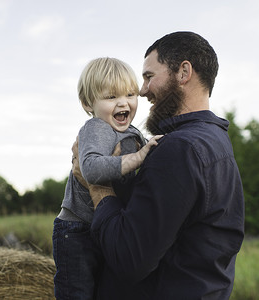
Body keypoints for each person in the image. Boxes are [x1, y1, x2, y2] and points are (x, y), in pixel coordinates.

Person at [73, 31, 245, 299]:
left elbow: (129, 258)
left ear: (183, 72)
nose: (142, 91)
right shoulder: (215, 140)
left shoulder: (180, 148)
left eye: (149, 77)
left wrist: (98, 188)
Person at [52, 57, 162, 300]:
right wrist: (138, 158)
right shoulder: (96, 128)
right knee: (77, 293)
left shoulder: (132, 132)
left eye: (130, 94)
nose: (123, 102)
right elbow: (89, 168)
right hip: (77, 230)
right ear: (87, 103)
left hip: (102, 226)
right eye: (111, 97)